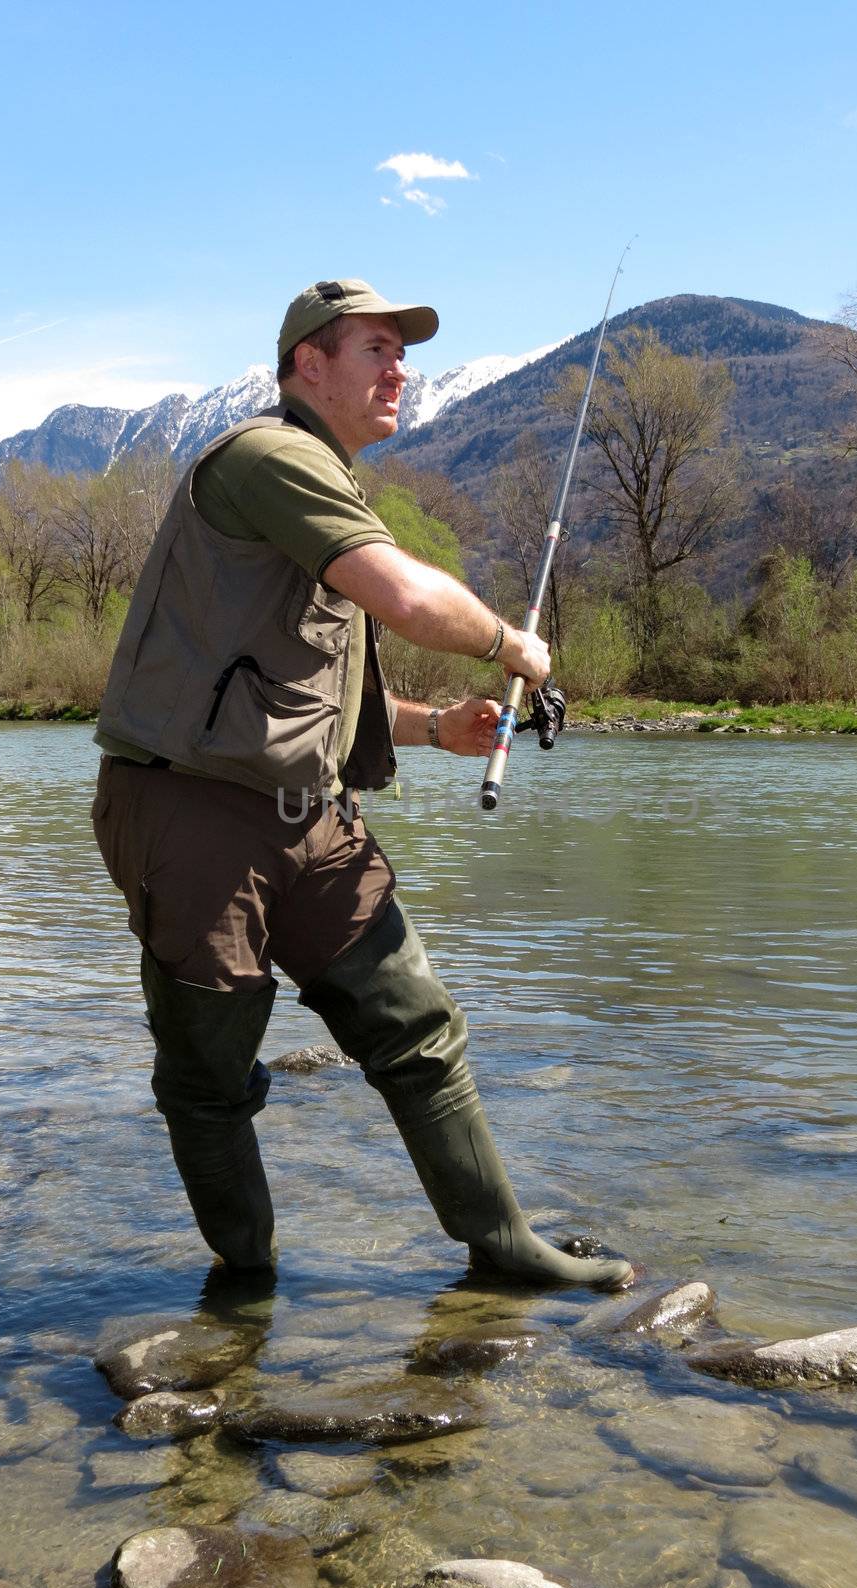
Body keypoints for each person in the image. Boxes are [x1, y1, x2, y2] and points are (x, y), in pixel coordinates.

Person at [91, 277, 632, 1292]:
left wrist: (439, 727)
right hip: (190, 812)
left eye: (402, 351)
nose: (401, 370)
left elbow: (305, 699)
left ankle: (504, 1247)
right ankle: (245, 1293)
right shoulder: (267, 457)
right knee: (208, 1077)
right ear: (309, 365)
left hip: (310, 821)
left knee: (417, 1025)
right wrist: (513, 644)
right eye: (377, 350)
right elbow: (399, 592)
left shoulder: (319, 484)